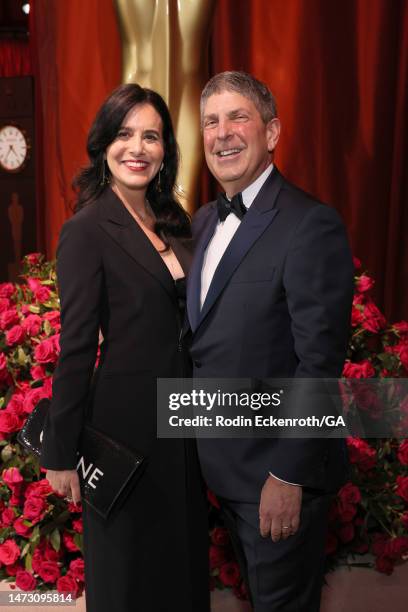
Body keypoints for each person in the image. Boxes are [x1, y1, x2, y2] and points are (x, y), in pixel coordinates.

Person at [186, 71, 354, 611]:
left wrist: (288, 473)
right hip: (215, 475)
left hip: (274, 478)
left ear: (273, 132)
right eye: (211, 121)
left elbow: (319, 362)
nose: (223, 133)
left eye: (239, 117)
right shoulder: (202, 224)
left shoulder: (310, 224)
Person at [40, 84, 210, 612]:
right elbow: (75, 348)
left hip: (187, 425)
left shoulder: (179, 225)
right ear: (103, 145)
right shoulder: (86, 230)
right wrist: (60, 451)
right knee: (130, 578)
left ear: (165, 151)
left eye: (151, 136)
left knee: (182, 571)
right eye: (123, 134)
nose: (137, 147)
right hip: (125, 431)